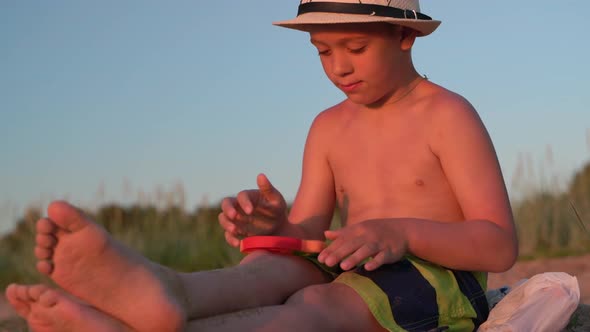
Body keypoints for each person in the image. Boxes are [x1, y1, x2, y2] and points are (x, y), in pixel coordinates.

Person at [5, 1, 518, 331]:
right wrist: (274, 226)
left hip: (435, 279)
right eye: (322, 52)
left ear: (405, 37)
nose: (338, 66)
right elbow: (308, 233)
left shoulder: (447, 114)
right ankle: (170, 292)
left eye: (356, 48)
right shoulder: (328, 126)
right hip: (348, 264)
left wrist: (399, 233)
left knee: (314, 311)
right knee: (265, 272)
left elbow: (498, 243)